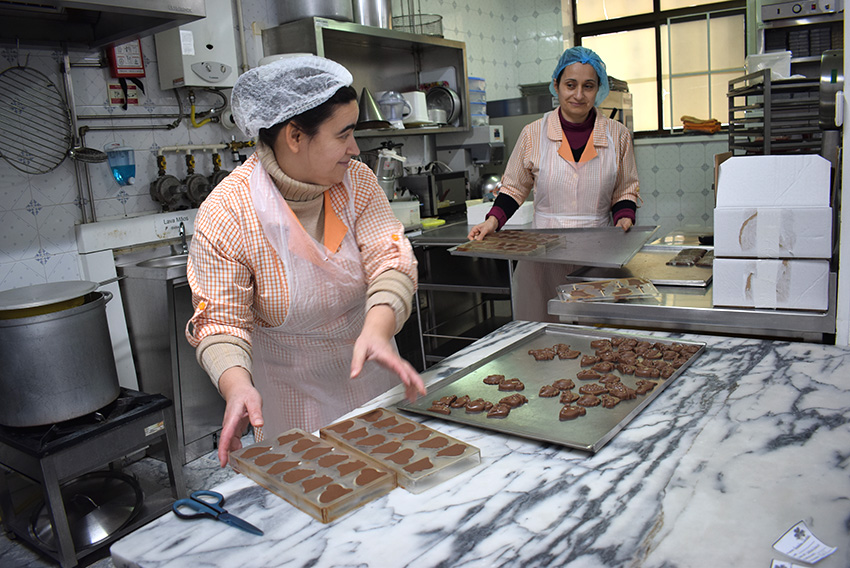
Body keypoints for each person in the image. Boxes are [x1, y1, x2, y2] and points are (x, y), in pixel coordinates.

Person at [186, 55, 426, 467]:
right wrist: (236, 385)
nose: (354, 149)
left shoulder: (357, 183)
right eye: (343, 134)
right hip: (291, 398)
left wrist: (379, 328)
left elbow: (391, 258)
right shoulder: (229, 213)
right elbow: (221, 322)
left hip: (371, 375)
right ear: (295, 136)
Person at [467, 46, 640, 321]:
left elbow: (625, 189)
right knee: (541, 329)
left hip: (596, 254)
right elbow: (513, 188)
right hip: (543, 256)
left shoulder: (618, 135)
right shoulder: (533, 133)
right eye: (570, 85)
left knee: (592, 336)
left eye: (588, 86)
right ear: (556, 85)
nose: (579, 95)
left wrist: (624, 217)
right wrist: (492, 221)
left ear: (599, 89)